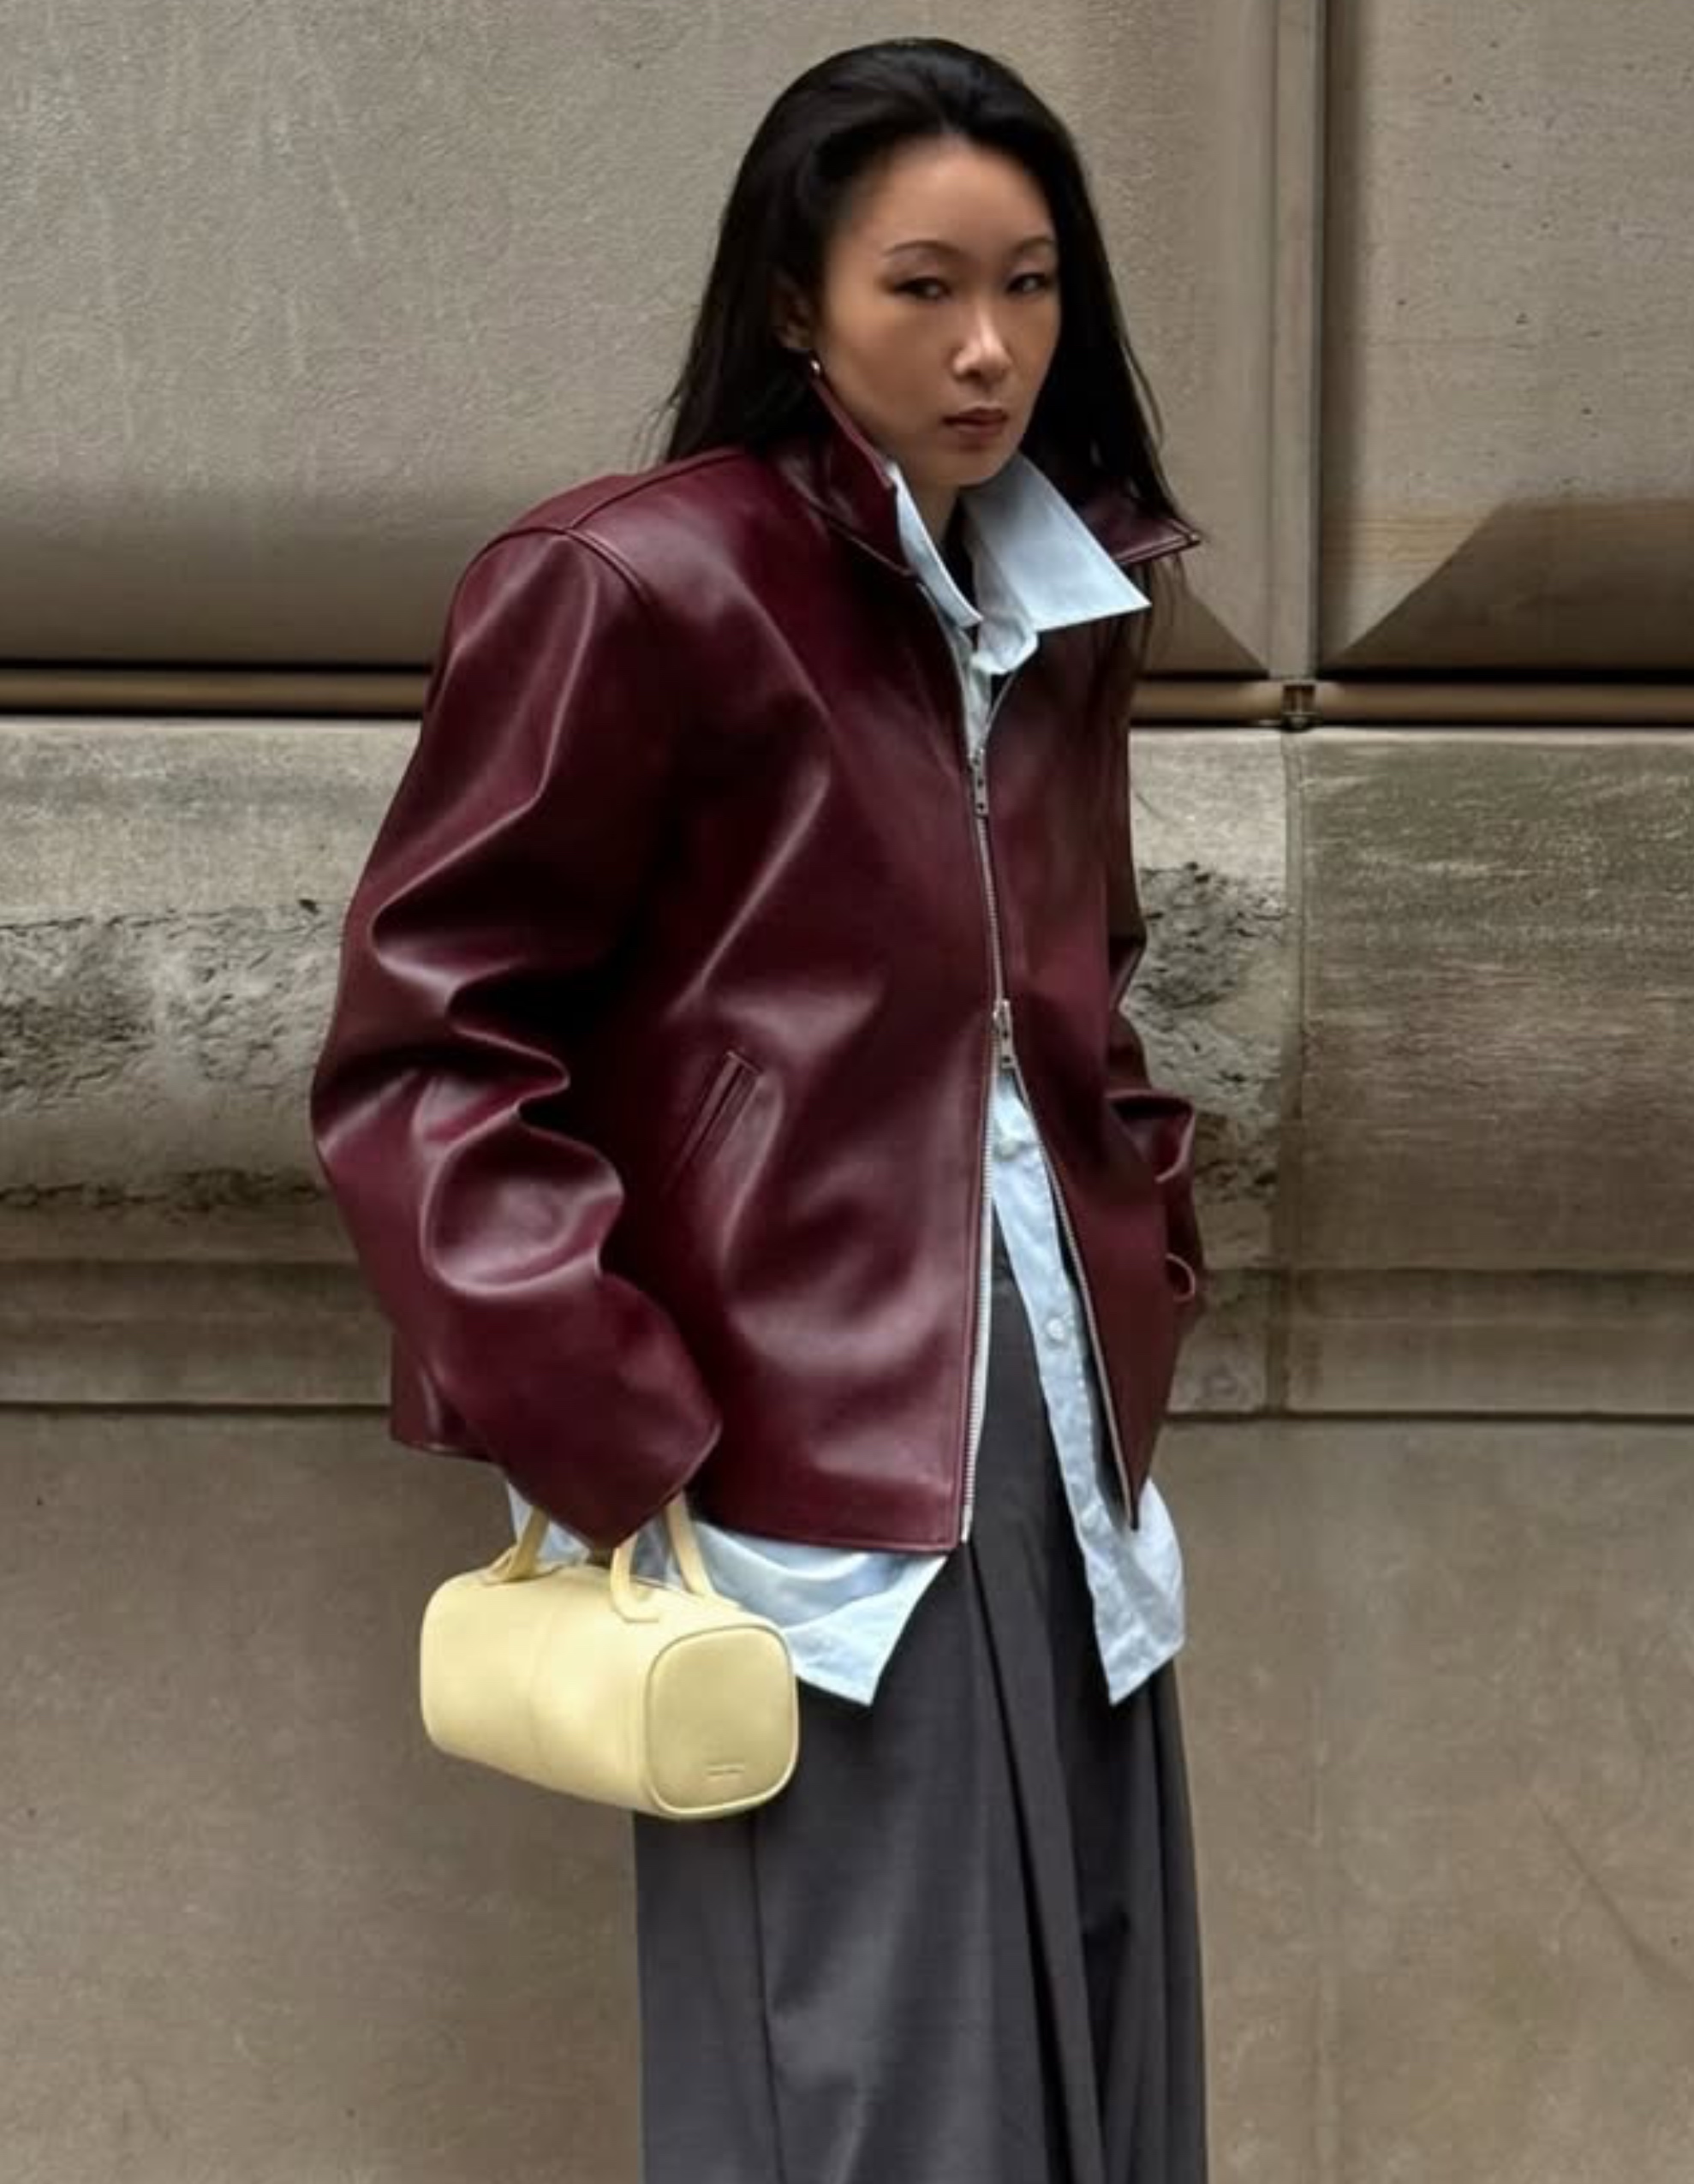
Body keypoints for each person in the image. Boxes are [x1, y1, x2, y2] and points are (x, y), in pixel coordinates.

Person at [307, 39, 1210, 2181]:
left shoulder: (1062, 594)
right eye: (921, 286)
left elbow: (1078, 991)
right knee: (871, 2104)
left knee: (1100, 2073)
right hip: (788, 1492)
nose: (990, 347)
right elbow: (421, 1055)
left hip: (1056, 1460)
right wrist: (627, 1432)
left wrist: (1145, 1243)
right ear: (796, 303)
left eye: (1031, 282)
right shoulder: (633, 585)